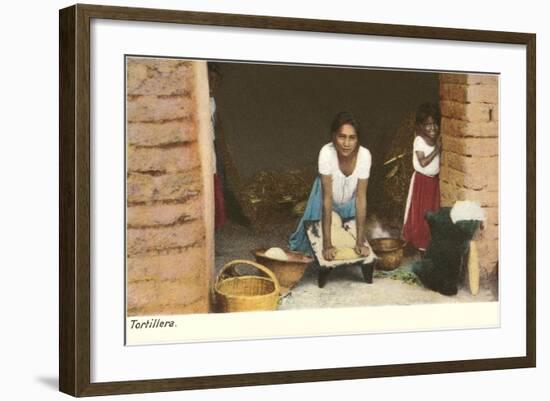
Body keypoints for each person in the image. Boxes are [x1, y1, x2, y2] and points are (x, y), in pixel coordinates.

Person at [289, 111, 371, 260]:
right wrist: (327, 244)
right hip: (324, 199)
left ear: (358, 139)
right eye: (342, 137)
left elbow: (361, 199)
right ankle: (322, 239)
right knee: (314, 243)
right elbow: (327, 199)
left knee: (350, 239)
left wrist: (359, 241)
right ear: (334, 137)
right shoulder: (326, 153)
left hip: (350, 202)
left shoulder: (365, 156)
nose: (347, 143)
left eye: (352, 138)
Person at [402, 102, 442, 251]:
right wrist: (437, 149)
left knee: (433, 213)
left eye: (435, 124)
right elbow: (423, 162)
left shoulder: (437, 139)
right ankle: (420, 247)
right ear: (421, 126)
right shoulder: (419, 140)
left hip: (434, 182)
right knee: (421, 215)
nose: (432, 128)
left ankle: (429, 245)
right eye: (428, 125)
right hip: (422, 182)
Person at [207, 62, 226, 229]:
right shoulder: (201, 101)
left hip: (210, 149)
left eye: (216, 81)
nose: (213, 85)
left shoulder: (212, 101)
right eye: (210, 80)